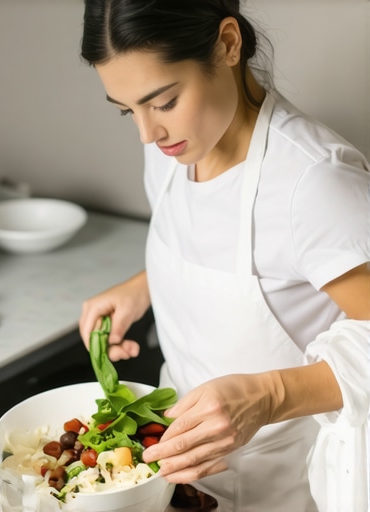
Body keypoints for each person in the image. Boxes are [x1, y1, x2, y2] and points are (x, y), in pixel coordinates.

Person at [77, 1, 370, 511]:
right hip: (175, 471)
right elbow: (238, 250)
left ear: (228, 43)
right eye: (128, 110)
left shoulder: (314, 182)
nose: (147, 134)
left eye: (163, 101)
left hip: (282, 486)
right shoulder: (175, 148)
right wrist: (144, 284)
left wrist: (269, 396)